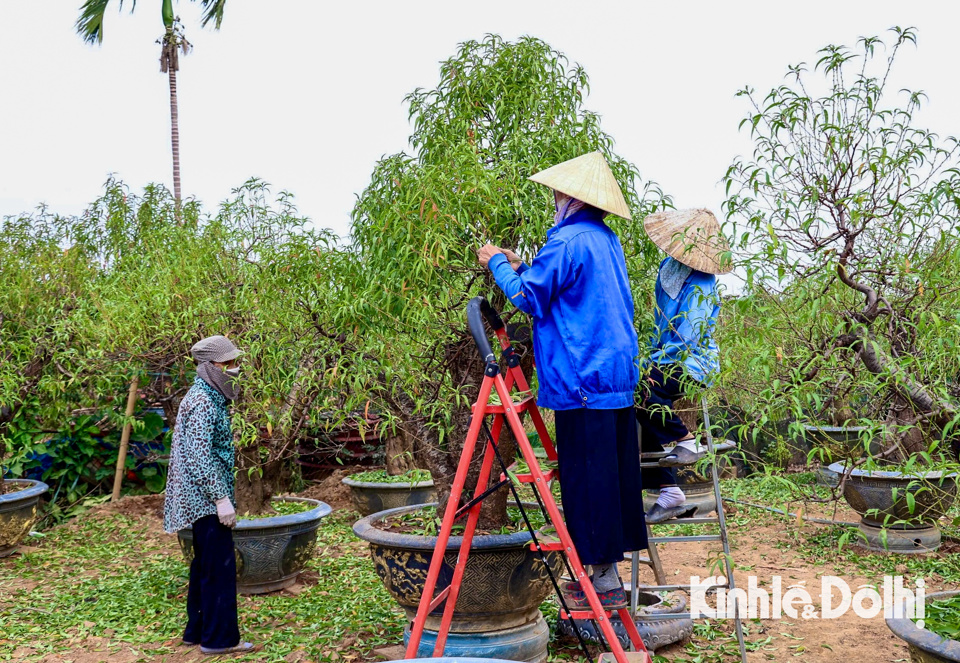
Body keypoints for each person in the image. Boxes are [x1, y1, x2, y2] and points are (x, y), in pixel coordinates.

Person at [477, 151, 645, 610]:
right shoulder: (605, 241)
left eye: (556, 193)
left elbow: (530, 298)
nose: (554, 199)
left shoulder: (566, 241)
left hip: (582, 380)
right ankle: (608, 574)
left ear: (570, 198)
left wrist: (497, 264)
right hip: (614, 376)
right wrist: (519, 260)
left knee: (586, 482)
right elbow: (565, 286)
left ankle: (603, 583)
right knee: (612, 477)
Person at [638, 208, 731, 524]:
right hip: (665, 360)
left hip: (693, 364)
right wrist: (648, 361)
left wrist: (652, 367)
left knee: (642, 387)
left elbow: (687, 335)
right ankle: (669, 491)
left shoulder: (702, 283)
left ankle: (686, 440)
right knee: (635, 398)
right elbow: (659, 323)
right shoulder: (668, 268)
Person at [163, 335, 254, 656]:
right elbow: (199, 456)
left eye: (234, 363)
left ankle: (197, 631)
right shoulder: (202, 402)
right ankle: (219, 639)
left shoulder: (206, 396)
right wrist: (220, 498)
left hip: (200, 498)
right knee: (219, 568)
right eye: (228, 364)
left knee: (204, 564)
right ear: (210, 366)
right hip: (204, 500)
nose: (235, 369)